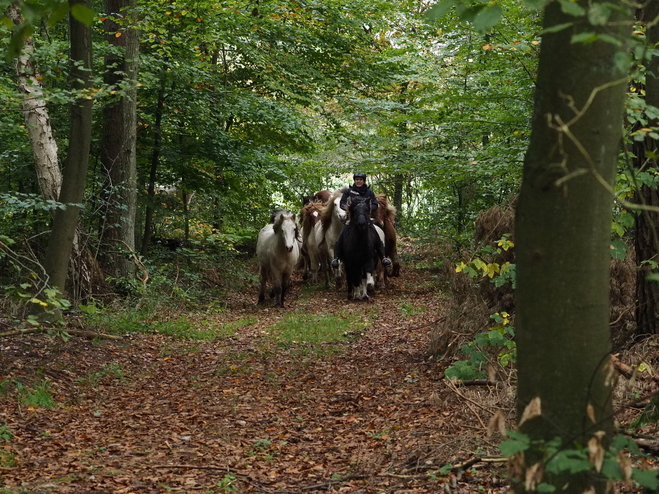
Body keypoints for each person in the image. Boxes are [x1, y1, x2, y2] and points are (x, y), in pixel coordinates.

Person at [331, 173, 392, 269]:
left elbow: (375, 204)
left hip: (366, 219)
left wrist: (367, 208)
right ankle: (336, 258)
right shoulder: (348, 192)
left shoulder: (369, 192)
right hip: (351, 220)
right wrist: (349, 208)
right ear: (354, 181)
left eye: (360, 179)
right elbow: (342, 203)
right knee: (341, 236)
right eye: (357, 179)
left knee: (376, 233)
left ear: (364, 181)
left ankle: (383, 257)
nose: (358, 181)